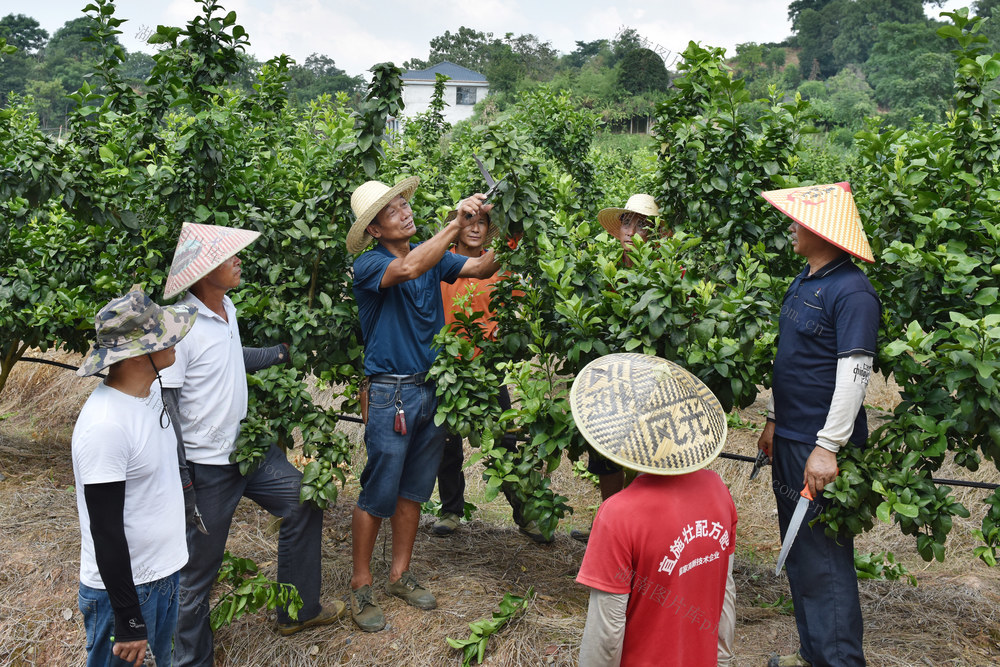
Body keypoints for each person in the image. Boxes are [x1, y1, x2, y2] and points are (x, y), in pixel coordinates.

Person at [161, 223, 344, 666]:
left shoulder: (226, 307)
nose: (240, 260)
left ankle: (297, 610)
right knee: (197, 574)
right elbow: (165, 400)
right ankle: (191, 660)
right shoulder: (178, 326)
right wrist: (182, 476)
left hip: (247, 450)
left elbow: (230, 358)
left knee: (303, 500)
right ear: (205, 272)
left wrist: (277, 354)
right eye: (231, 257)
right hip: (207, 467)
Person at [347, 177, 502, 632]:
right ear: (374, 230)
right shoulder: (369, 264)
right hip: (390, 392)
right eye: (392, 211)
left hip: (430, 388)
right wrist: (456, 223)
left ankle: (400, 575)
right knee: (378, 491)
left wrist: (511, 221)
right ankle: (361, 584)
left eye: (403, 204)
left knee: (414, 489)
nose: (405, 212)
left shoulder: (435, 259)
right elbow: (410, 268)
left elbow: (482, 268)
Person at [758, 182, 879, 667]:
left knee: (825, 561)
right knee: (803, 554)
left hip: (816, 445)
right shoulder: (807, 279)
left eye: (798, 220)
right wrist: (772, 417)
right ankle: (813, 655)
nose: (790, 226)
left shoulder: (852, 292)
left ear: (821, 230)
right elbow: (792, 360)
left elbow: (855, 373)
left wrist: (827, 446)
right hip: (791, 437)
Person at [571, 353, 737, 666]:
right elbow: (725, 591)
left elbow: (606, 636)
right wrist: (723, 659)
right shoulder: (717, 490)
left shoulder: (617, 516)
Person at [72, 289, 197, 667]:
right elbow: (105, 529)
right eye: (164, 336)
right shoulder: (106, 426)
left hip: (163, 575)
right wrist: (128, 618)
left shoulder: (150, 393)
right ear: (139, 353)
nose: (175, 340)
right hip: (127, 592)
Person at [432, 210, 549, 542]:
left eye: (481, 223)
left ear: (488, 232)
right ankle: (451, 510)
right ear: (456, 229)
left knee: (505, 441)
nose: (475, 228)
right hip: (451, 370)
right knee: (448, 445)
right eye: (468, 222)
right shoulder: (442, 265)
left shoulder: (498, 269)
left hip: (487, 371)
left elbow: (522, 305)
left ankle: (526, 516)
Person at [571, 193, 663, 543]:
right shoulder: (605, 269)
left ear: (654, 232)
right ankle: (611, 527)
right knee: (606, 452)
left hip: (649, 377)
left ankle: (641, 531)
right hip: (611, 377)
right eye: (626, 222)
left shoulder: (666, 270)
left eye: (641, 224)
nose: (630, 230)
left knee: (646, 451)